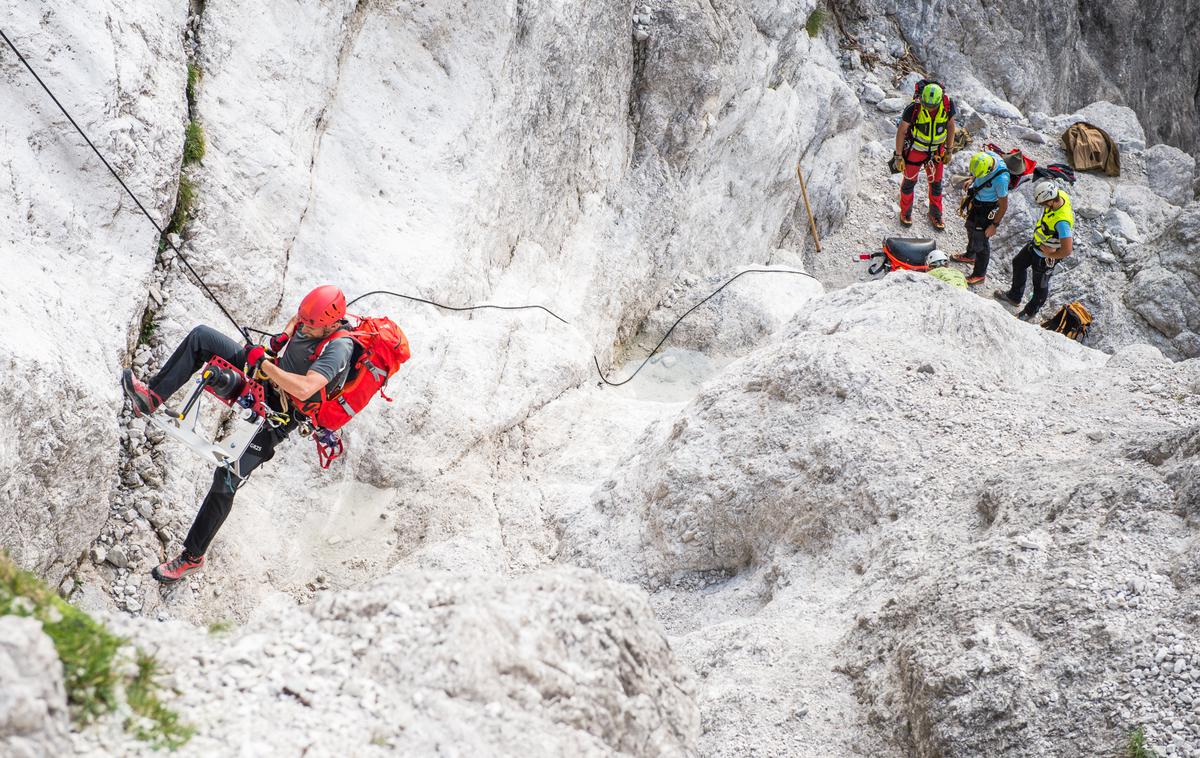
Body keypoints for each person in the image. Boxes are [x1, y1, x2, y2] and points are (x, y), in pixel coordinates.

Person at [120, 285, 355, 583]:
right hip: (266, 378)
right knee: (202, 338)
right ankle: (152, 396)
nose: (305, 327)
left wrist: (265, 362)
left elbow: (305, 388)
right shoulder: (311, 319)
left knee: (228, 476)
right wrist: (279, 341)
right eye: (303, 320)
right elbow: (297, 324)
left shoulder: (339, 348)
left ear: (331, 325)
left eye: (312, 325)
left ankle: (192, 557)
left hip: (280, 414)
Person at [993, 180, 1075, 321]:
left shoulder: (1062, 222)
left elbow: (1067, 250)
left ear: (1051, 201)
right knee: (1018, 263)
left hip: (1045, 256)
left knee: (1040, 285)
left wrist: (1051, 254)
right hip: (1036, 245)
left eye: (1044, 204)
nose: (1042, 207)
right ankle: (1014, 296)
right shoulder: (1059, 195)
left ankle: (1030, 312)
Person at [893, 81, 957, 230]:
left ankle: (935, 214)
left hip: (936, 151)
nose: (928, 109)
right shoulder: (913, 108)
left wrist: (949, 150)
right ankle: (905, 212)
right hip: (916, 150)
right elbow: (901, 132)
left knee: (936, 184)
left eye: (931, 106)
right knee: (909, 183)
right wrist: (898, 156)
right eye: (925, 105)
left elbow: (950, 126)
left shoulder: (947, 105)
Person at [952, 151, 1010, 286]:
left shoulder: (1001, 179)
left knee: (981, 241)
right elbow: (977, 173)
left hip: (987, 208)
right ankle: (970, 255)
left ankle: (979, 275)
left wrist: (994, 225)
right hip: (977, 202)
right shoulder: (988, 156)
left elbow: (1003, 206)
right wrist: (973, 178)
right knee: (970, 226)